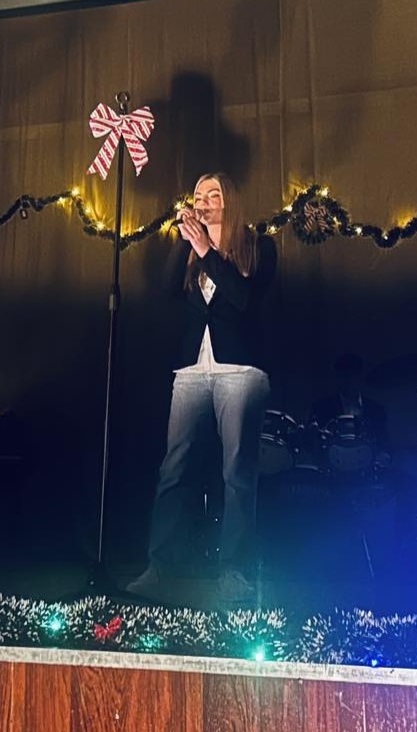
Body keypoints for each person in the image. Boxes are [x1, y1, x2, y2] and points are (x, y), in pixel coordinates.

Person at [127, 172, 277, 604]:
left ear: (229, 202)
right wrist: (185, 244)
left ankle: (235, 572)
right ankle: (160, 566)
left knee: (237, 472)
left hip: (239, 369)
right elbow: (164, 292)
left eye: (213, 194)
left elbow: (243, 299)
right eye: (198, 195)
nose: (204, 201)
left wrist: (208, 250)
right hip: (192, 368)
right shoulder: (189, 250)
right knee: (174, 467)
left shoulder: (258, 246)